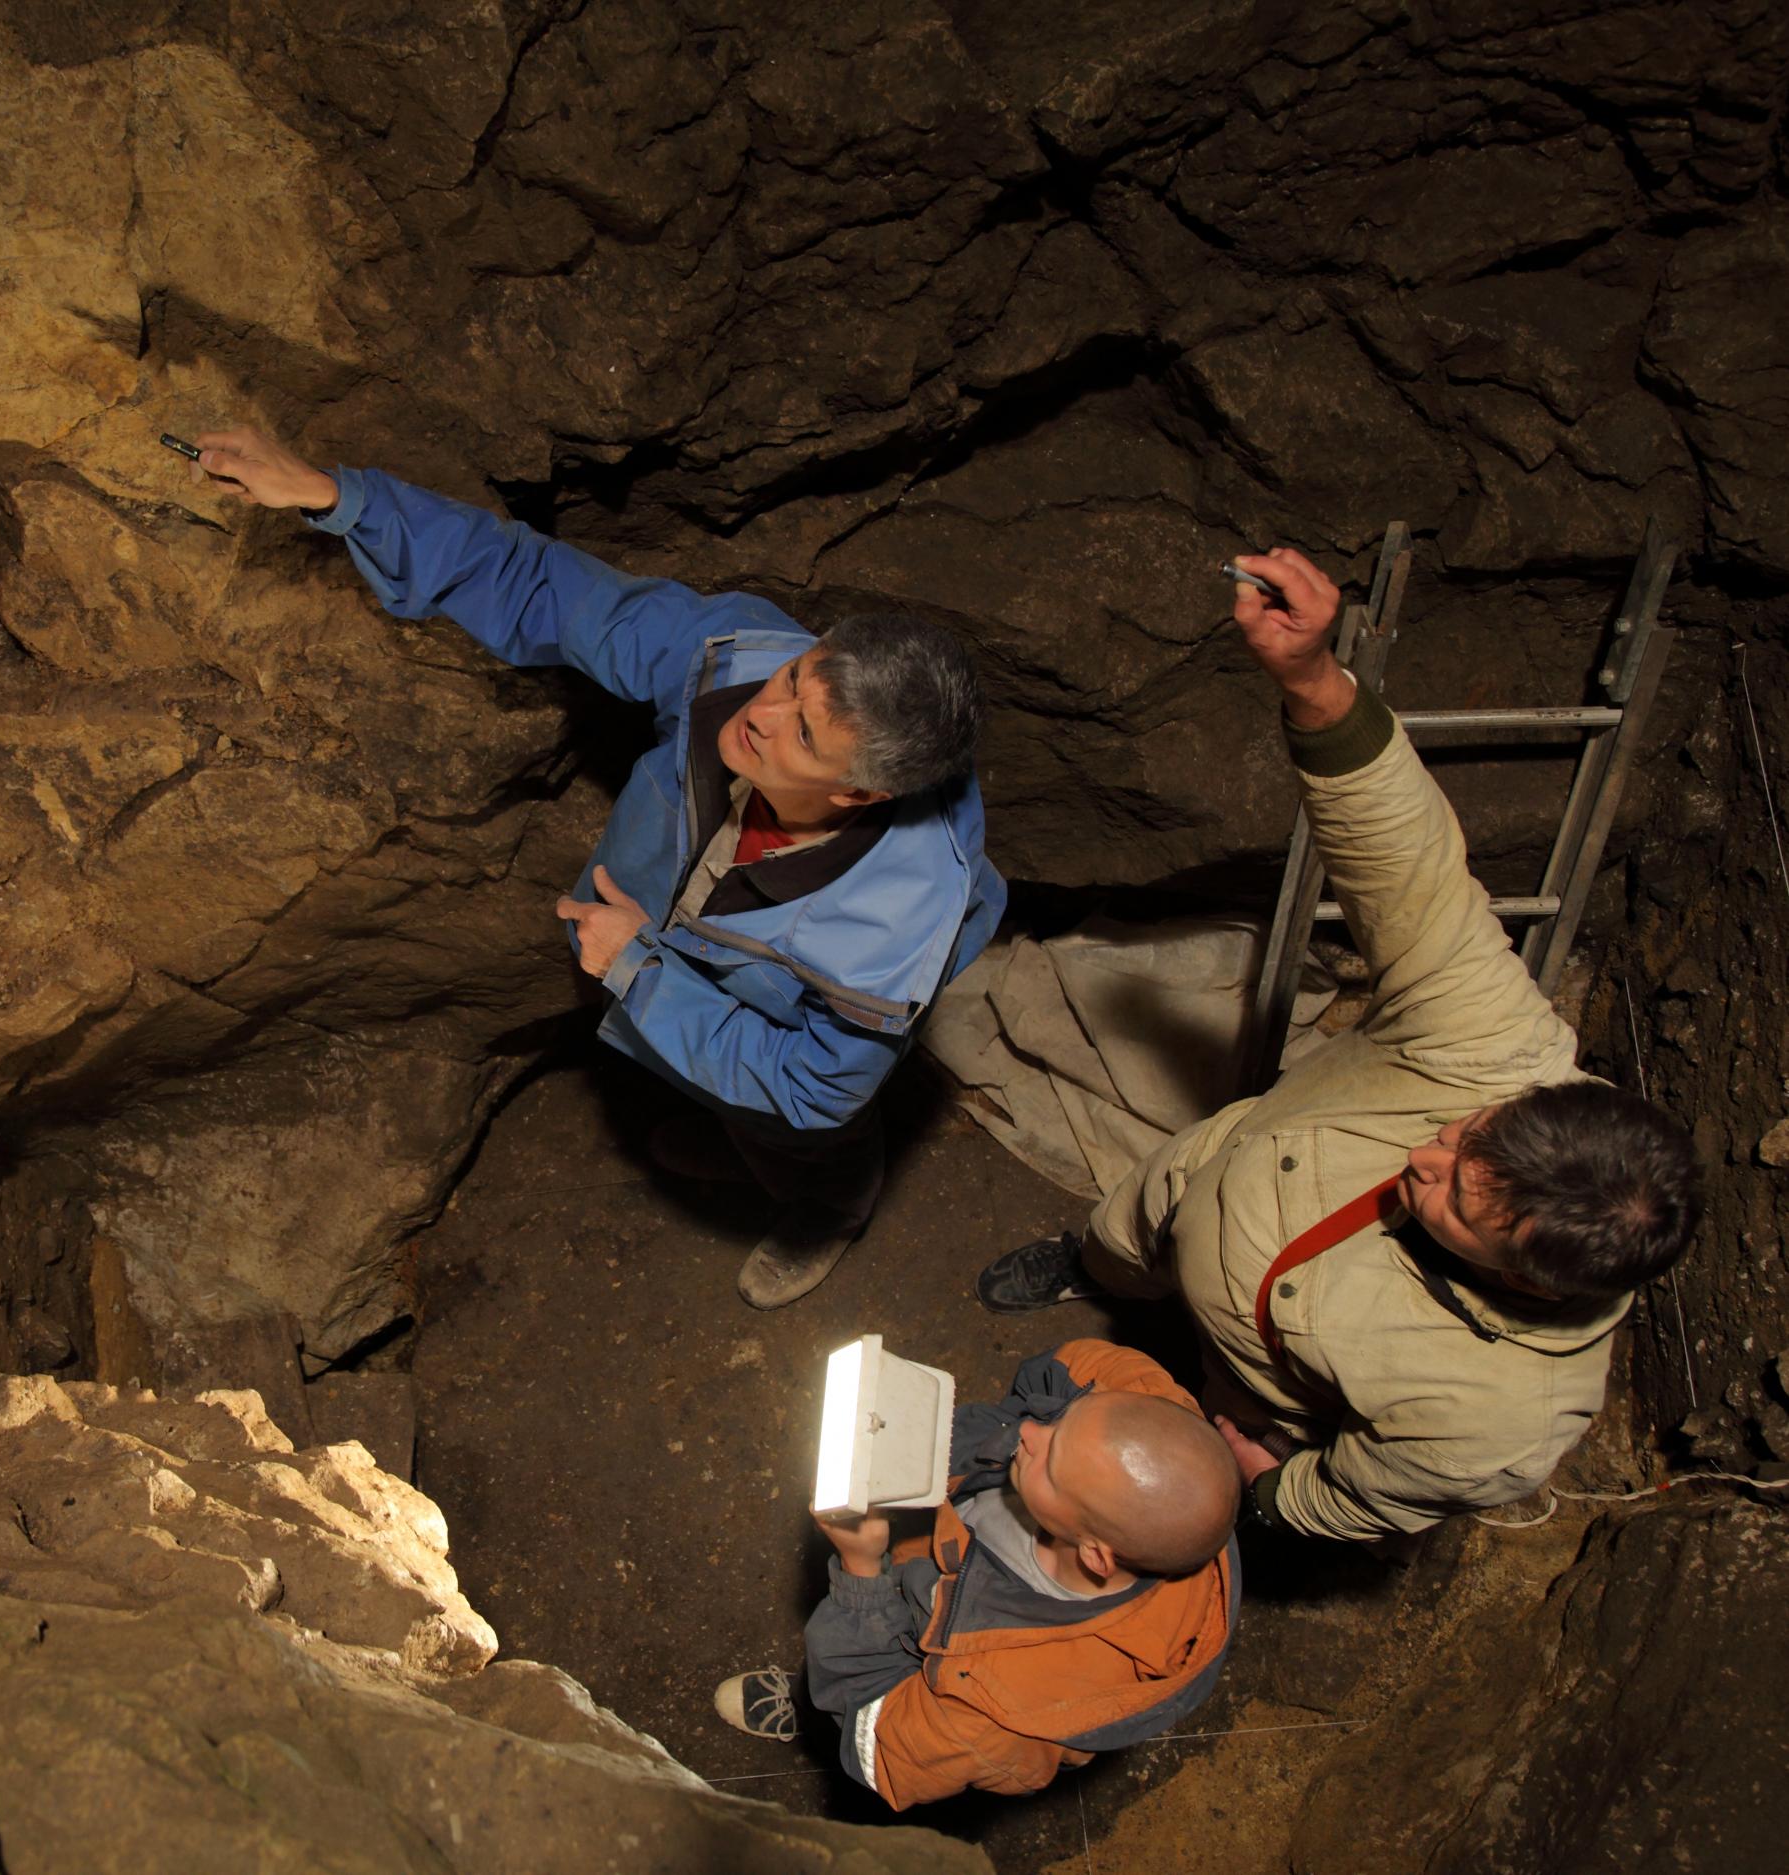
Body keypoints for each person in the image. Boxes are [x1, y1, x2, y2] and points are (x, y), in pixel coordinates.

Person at [975, 549, 1704, 1544]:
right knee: (1124, 1227)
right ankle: (1095, 1268)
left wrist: (1262, 1493)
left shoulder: (1496, 1420)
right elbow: (1408, 869)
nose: (1423, 1157)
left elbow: (1363, 1495)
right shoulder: (1497, 1046)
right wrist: (1314, 682)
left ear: (1525, 1279)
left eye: (1454, 1197)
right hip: (1197, 1181)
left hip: (1251, 1383)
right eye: (1467, 1133)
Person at [192, 429, 1005, 1307]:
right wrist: (337, 497)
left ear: (859, 796)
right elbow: (543, 583)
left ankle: (824, 1204)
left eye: (802, 733)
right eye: (796, 678)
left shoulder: (887, 938)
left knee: (799, 1128)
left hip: (782, 1015)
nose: (760, 713)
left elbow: (811, 1086)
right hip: (680, 935)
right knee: (709, 1065)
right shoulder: (735, 661)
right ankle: (732, 1126)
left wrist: (637, 968)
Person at [715, 1338, 1239, 1805]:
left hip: (914, 1669)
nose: (1030, 1431)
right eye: (1062, 1424)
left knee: (845, 1702)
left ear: (1096, 1554)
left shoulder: (1000, 1717)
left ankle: (811, 1711)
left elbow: (881, 1751)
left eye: (1052, 1467)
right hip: (937, 1549)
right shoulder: (1146, 1409)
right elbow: (1061, 1369)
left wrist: (861, 1569)